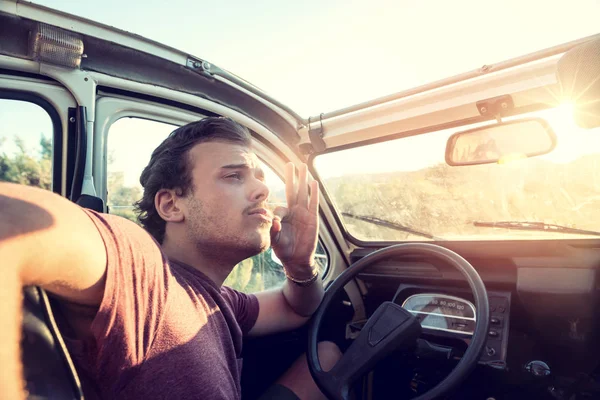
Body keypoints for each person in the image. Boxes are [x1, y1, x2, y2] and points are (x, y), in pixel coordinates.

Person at [0, 117, 341, 400]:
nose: (262, 190)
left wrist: (298, 265)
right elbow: (8, 218)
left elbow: (298, 307)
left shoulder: (219, 299)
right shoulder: (144, 273)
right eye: (233, 176)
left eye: (258, 177)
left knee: (328, 356)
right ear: (171, 205)